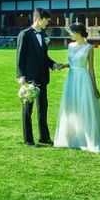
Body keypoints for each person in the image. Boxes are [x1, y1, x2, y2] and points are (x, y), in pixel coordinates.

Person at [53, 22, 100, 153]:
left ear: (78, 33)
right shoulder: (70, 46)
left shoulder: (89, 48)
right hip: (71, 79)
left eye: (71, 32)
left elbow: (91, 69)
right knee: (72, 107)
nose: (70, 35)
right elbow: (72, 63)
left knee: (85, 108)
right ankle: (73, 138)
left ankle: (89, 138)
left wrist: (95, 87)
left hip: (83, 80)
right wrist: (63, 65)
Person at [16, 8, 68, 147]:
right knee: (27, 111)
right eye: (47, 20)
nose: (48, 23)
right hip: (29, 78)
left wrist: (54, 64)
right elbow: (20, 57)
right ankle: (28, 140)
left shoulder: (43, 34)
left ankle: (44, 138)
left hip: (43, 77)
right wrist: (20, 75)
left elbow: (44, 57)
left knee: (43, 108)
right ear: (39, 19)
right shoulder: (24, 34)